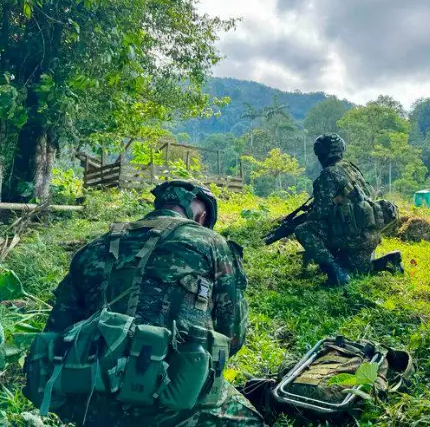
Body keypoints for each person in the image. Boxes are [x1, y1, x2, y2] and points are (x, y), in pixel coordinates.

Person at [33, 180, 264, 426]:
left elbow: (55, 331)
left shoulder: (94, 248)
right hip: (173, 403)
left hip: (90, 402)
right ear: (201, 217)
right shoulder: (212, 244)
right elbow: (233, 337)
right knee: (250, 420)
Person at [294, 133, 402, 286]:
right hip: (370, 235)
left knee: (303, 230)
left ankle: (337, 275)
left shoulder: (328, 174)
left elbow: (321, 212)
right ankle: (390, 259)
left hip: (352, 236)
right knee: (358, 269)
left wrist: (308, 217)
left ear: (320, 154)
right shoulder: (351, 169)